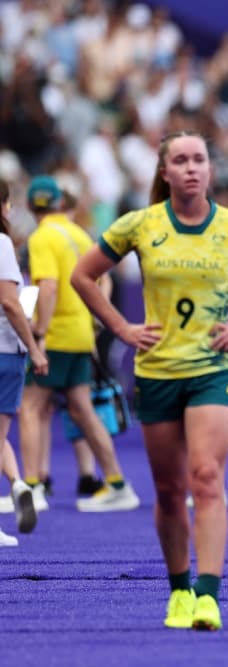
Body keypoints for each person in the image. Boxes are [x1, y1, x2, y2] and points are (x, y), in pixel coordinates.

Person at [71, 130, 228, 631]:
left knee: (207, 478)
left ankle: (209, 596)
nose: (192, 168)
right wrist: (122, 328)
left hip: (213, 370)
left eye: (200, 160)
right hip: (157, 372)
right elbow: (84, 276)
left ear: (210, 169)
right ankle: (178, 591)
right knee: (169, 491)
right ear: (164, 171)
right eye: (181, 161)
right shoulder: (140, 225)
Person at [20, 175, 140, 513]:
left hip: (56, 334)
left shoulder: (41, 238)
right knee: (83, 411)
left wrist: (39, 333)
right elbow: (104, 281)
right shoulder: (78, 233)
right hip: (81, 334)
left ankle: (31, 489)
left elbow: (48, 288)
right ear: (60, 202)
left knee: (30, 407)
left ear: (30, 206)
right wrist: (94, 320)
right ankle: (116, 482)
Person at [0, 178, 48, 546]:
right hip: (5, 351)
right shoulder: (2, 244)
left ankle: (18, 485)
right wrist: (34, 347)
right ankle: (17, 484)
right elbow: (11, 302)